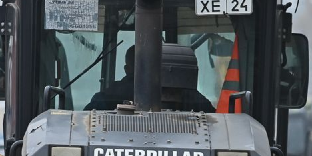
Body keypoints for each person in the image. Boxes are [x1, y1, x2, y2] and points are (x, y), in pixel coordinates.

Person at [83, 44, 215, 113]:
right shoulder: (193, 98)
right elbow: (216, 120)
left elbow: (85, 121)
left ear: (128, 70)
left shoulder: (109, 96)